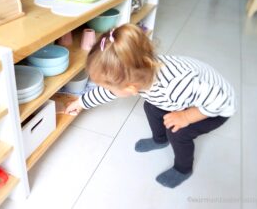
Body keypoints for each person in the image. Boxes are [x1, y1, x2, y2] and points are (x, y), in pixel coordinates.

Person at [65, 24, 236, 188]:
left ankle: (183, 169)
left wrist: (186, 116)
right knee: (151, 107)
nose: (105, 89)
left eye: (108, 86)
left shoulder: (175, 86)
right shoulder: (141, 71)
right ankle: (160, 140)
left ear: (131, 88)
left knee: (178, 131)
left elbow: (221, 100)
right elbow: (108, 93)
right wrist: (81, 102)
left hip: (216, 107)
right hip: (188, 97)